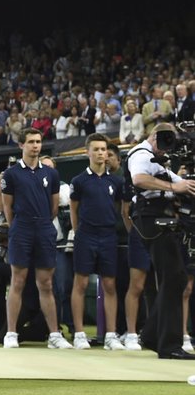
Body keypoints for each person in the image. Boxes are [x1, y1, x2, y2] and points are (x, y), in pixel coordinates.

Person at [127, 124, 195, 359]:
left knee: (174, 278)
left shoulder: (159, 161)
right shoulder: (141, 154)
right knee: (174, 278)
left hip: (161, 219)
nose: (167, 149)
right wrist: (173, 186)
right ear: (154, 137)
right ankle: (168, 345)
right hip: (152, 219)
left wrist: (183, 184)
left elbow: (183, 184)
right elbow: (139, 179)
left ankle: (153, 335)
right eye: (165, 141)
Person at [1, 128, 72, 349]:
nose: (35, 146)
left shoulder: (51, 174)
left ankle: (54, 335)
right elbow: (7, 208)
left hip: (44, 228)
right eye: (31, 141)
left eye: (38, 142)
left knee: (46, 283)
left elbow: (52, 208)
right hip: (21, 228)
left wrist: (40, 223)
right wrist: (20, 226)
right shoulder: (11, 174)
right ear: (21, 145)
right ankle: (11, 333)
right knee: (18, 281)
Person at [68, 133, 125, 350]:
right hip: (86, 235)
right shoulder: (78, 181)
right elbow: (74, 209)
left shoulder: (116, 181)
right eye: (97, 149)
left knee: (109, 284)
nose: (101, 153)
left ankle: (111, 335)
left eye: (104, 150)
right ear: (87, 152)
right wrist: (78, 232)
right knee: (80, 283)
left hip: (109, 236)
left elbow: (119, 208)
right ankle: (80, 334)